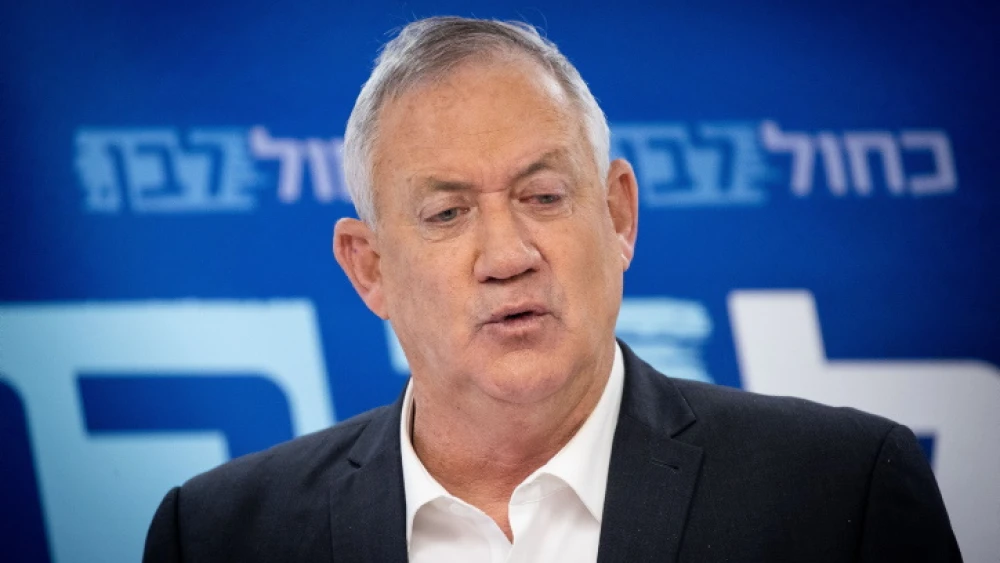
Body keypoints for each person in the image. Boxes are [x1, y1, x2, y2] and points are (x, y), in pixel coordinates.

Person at [143, 16, 961, 562]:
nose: (506, 254)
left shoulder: (838, 494)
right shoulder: (218, 535)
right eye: (447, 212)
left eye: (542, 196)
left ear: (617, 215)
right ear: (370, 268)